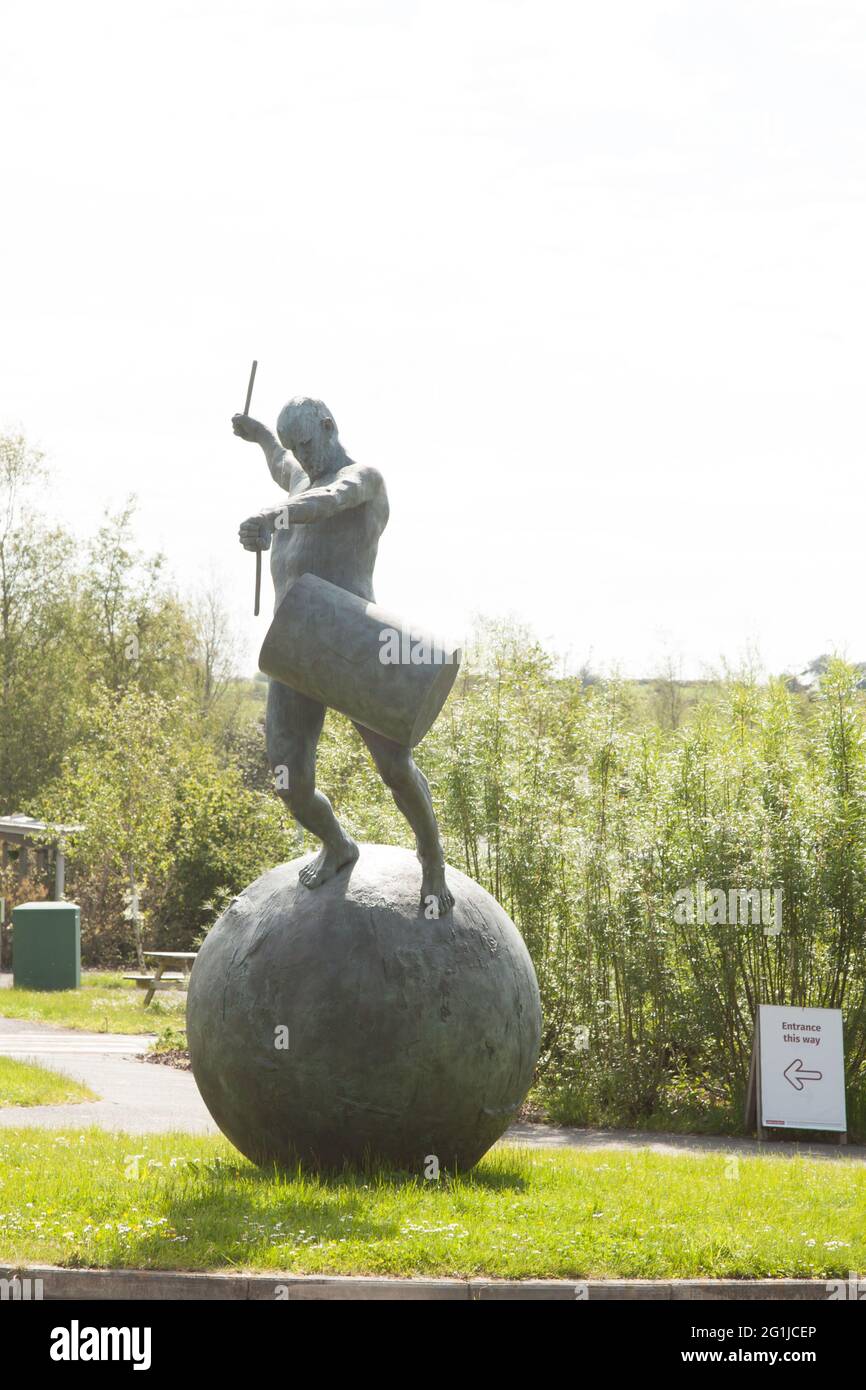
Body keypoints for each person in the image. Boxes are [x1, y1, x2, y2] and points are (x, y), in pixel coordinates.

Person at [233, 396, 454, 916]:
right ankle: (337, 844)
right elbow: (280, 464)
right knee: (288, 775)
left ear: (329, 427)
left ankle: (433, 859)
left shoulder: (363, 480)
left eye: (307, 443)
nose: (302, 458)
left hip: (354, 641)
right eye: (296, 449)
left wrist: (272, 514)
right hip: (295, 649)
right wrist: (262, 435)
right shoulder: (295, 479)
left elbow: (330, 498)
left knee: (394, 766)